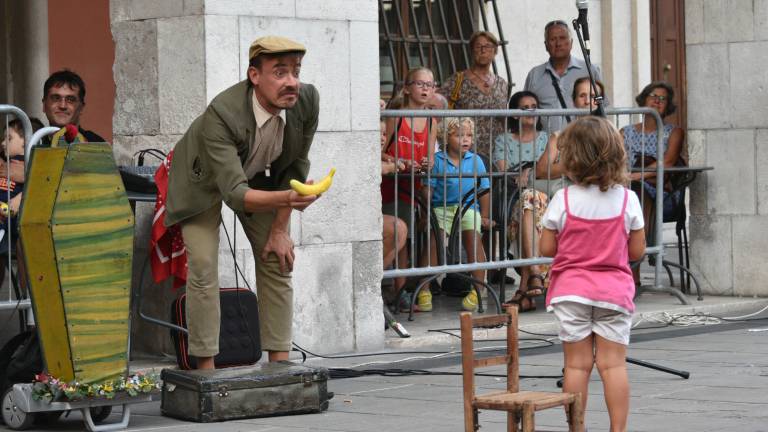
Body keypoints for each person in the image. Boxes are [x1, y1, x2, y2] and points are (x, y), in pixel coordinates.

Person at [163, 36, 320, 369]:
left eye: (296, 71)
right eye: (280, 72)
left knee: (278, 256)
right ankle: (205, 372)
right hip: (200, 181)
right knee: (204, 266)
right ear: (254, 76)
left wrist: (280, 228)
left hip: (259, 177)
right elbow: (235, 193)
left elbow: (293, 169)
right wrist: (290, 198)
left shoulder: (306, 101)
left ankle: (280, 366)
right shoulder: (222, 112)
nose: (291, 81)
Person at [540, 116, 645, 432]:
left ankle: (578, 428)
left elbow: (547, 248)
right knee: (613, 365)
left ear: (570, 157)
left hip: (571, 291)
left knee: (576, 365)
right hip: (613, 292)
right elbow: (637, 252)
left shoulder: (563, 199)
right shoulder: (628, 199)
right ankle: (617, 430)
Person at [420, 117, 492, 312]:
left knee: (474, 242)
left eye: (469, 135)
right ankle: (424, 289)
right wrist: (427, 212)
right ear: (446, 137)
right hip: (441, 208)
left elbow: (484, 190)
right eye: (459, 135)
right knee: (433, 242)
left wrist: (484, 216)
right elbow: (429, 190)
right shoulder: (437, 161)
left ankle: (477, 290)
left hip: (468, 207)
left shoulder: (476, 161)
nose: (465, 139)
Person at [493, 91, 552, 311]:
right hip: (514, 198)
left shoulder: (546, 138)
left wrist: (529, 170)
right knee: (528, 200)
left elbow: (550, 170)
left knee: (531, 200)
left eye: (534, 106)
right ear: (515, 114)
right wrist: (523, 173)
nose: (531, 111)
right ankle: (532, 277)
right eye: (525, 107)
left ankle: (526, 285)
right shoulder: (504, 140)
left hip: (544, 200)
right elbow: (503, 170)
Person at [381, 67, 437, 243]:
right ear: (406, 88)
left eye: (429, 85)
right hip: (391, 186)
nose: (425, 88)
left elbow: (431, 158)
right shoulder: (396, 117)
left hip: (414, 188)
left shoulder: (431, 121)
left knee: (409, 240)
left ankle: (404, 271)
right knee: (396, 238)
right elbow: (379, 152)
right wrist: (399, 162)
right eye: (419, 83)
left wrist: (428, 163)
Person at [621, 81, 684, 233]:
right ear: (643, 100)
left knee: (636, 190)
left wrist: (636, 176)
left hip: (661, 192)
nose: (657, 100)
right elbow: (616, 160)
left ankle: (642, 247)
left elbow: (667, 162)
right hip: (625, 186)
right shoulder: (625, 131)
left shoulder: (674, 132)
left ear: (667, 106)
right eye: (653, 96)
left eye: (663, 99)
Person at [438, 31, 509, 158]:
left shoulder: (502, 84)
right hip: (464, 151)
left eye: (487, 46)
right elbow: (436, 107)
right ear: (472, 51)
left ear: (495, 51)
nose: (483, 50)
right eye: (478, 46)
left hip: (496, 153)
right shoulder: (457, 80)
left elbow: (504, 118)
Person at [524, 20, 604, 133]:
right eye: (552, 39)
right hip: (546, 145)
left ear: (571, 42)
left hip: (582, 141)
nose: (558, 43)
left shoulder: (589, 70)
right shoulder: (535, 74)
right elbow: (524, 109)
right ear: (546, 45)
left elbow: (603, 106)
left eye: (562, 38)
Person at [534, 77, 606, 185]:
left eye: (592, 96)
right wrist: (571, 167)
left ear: (600, 102)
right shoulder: (559, 137)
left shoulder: (610, 136)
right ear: (574, 101)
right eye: (582, 96)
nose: (587, 101)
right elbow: (540, 170)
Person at [0, 118, 44, 281]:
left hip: (11, 223)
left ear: (27, 142)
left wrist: (21, 196)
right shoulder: (5, 163)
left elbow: (40, 183)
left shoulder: (34, 164)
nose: (3, 143)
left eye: (9, 138)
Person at [41, 69, 106, 145]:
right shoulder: (33, 143)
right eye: (56, 98)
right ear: (44, 105)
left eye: (70, 100)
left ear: (81, 108)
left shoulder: (97, 145)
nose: (63, 106)